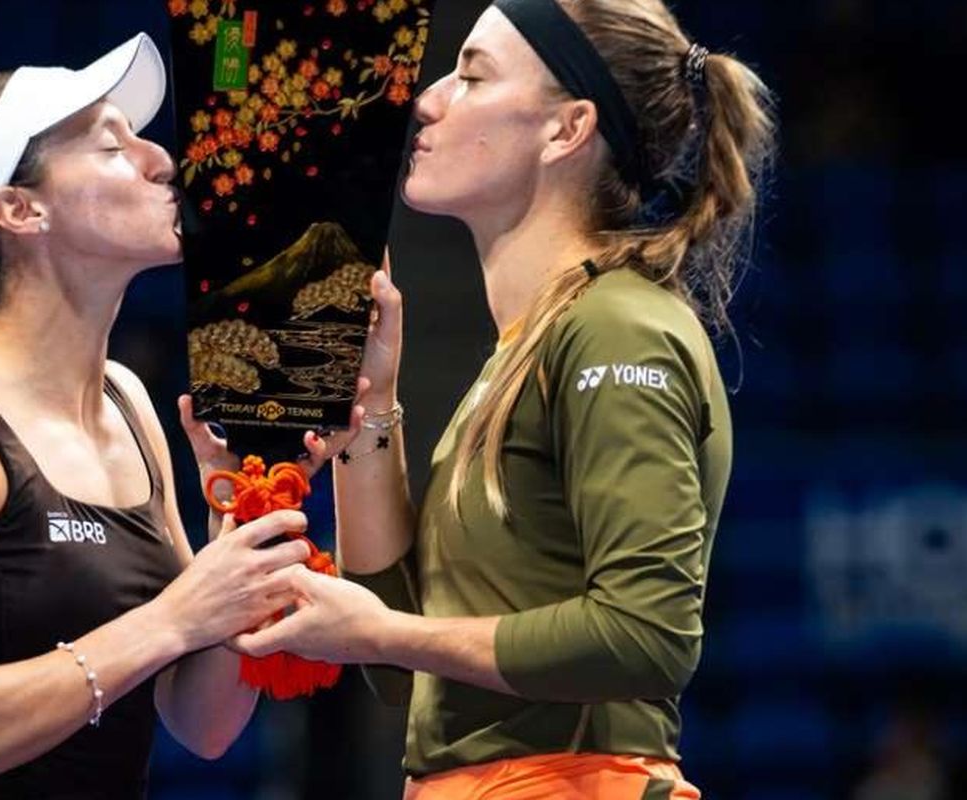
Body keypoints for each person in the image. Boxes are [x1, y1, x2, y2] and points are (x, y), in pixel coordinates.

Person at [228, 1, 777, 797]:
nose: (427, 99)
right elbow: (395, 664)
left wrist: (385, 632)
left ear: (567, 129)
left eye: (472, 76)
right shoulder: (528, 347)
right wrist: (369, 406)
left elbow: (646, 636)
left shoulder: (616, 329)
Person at [0, 34, 315, 799]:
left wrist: (244, 532)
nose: (161, 161)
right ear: (19, 209)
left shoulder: (128, 403)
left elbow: (203, 724)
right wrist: (172, 618)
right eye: (112, 146)